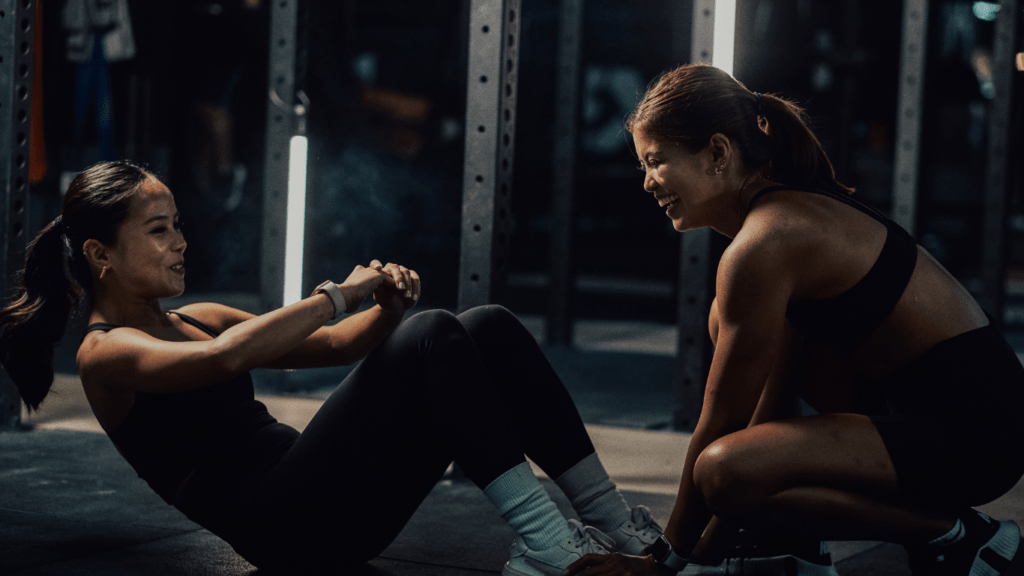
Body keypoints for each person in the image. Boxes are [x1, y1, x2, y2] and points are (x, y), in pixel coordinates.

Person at [0, 161, 665, 575]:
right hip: (282, 529)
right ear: (100, 255)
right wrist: (337, 294)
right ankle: (550, 545)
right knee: (437, 333)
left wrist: (385, 311)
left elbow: (335, 348)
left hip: (330, 502)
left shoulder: (197, 314)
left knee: (483, 324)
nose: (180, 242)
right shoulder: (103, 352)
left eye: (177, 224)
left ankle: (614, 523)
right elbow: (226, 358)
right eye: (157, 230)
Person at [566, 64, 1024, 576]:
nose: (649, 183)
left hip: (978, 437)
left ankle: (961, 537)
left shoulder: (767, 243)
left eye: (656, 162)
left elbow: (722, 427)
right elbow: (769, 416)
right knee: (726, 337)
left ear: (717, 153)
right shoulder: (781, 220)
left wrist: (664, 562)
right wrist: (711, 549)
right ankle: (796, 543)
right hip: (936, 417)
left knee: (721, 469)